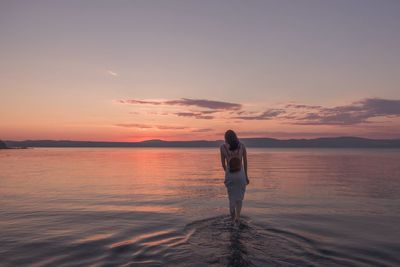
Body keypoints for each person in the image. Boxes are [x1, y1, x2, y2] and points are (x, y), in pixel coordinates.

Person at [220, 130, 249, 225]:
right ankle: (238, 218)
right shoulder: (242, 145)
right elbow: (245, 162)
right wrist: (246, 176)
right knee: (239, 198)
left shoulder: (222, 147)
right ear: (235, 136)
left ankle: (232, 220)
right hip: (240, 175)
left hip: (230, 174)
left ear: (226, 138)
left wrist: (228, 173)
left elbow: (223, 165)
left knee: (231, 198)